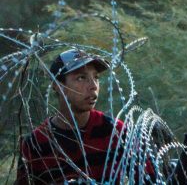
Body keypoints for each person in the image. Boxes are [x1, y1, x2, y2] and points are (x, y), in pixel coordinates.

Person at [16, 49, 127, 184]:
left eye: (96, 77)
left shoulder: (115, 131)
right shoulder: (36, 143)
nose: (93, 86)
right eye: (81, 78)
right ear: (58, 86)